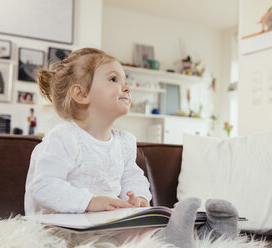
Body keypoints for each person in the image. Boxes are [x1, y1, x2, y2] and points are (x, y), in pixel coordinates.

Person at [24, 48, 238, 247]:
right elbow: (42, 186)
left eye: (125, 80)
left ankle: (207, 234)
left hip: (106, 224)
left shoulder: (124, 142)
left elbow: (133, 178)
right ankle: (174, 238)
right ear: (81, 94)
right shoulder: (63, 137)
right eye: (113, 79)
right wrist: (89, 202)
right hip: (64, 229)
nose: (126, 87)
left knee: (141, 229)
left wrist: (138, 198)